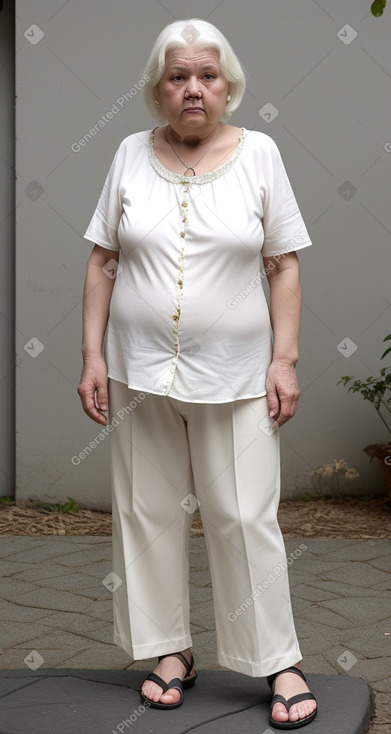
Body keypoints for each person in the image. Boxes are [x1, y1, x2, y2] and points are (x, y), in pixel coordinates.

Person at [78, 18, 317, 730]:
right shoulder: (127, 153)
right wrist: (91, 356)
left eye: (206, 76)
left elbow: (283, 264)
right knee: (147, 516)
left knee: (244, 517)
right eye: (178, 76)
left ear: (227, 85)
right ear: (159, 87)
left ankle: (277, 660)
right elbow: (102, 260)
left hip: (239, 373)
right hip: (141, 370)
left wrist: (284, 358)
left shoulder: (260, 154)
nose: (193, 88)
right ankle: (169, 652)